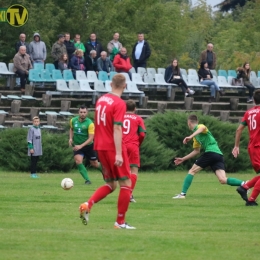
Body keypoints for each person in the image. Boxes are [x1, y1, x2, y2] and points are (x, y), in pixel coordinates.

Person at [79, 74, 136, 229]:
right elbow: (117, 128)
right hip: (112, 146)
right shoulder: (119, 103)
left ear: (111, 84)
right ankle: (120, 222)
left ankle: (87, 204)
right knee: (126, 183)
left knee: (111, 184)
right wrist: (118, 153)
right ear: (125, 86)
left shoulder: (101, 100)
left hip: (100, 146)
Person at [173, 114, 244, 199]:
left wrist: (190, 136)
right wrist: (183, 159)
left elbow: (202, 128)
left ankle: (182, 194)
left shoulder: (200, 127)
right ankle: (245, 184)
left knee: (192, 171)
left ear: (189, 123)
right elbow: (196, 151)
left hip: (211, 153)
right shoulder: (196, 136)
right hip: (218, 155)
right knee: (222, 179)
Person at [232, 90, 260, 206]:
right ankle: (251, 200)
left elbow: (239, 130)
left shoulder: (248, 113)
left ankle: (244, 187)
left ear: (254, 100)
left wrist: (236, 146)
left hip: (252, 147)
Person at [69, 105, 102, 185]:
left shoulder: (90, 123)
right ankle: (87, 180)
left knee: (95, 164)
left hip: (89, 146)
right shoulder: (73, 120)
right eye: (81, 112)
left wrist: (81, 146)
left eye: (84, 112)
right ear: (78, 112)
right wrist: (70, 138)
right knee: (78, 161)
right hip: (78, 146)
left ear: (87, 113)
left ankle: (107, 173)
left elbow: (91, 138)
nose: (82, 114)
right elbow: (71, 129)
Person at [123, 100, 146, 203]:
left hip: (121, 145)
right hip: (133, 145)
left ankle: (125, 192)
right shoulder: (138, 118)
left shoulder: (120, 117)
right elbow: (142, 134)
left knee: (125, 170)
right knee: (134, 170)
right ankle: (129, 194)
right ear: (135, 109)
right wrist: (138, 143)